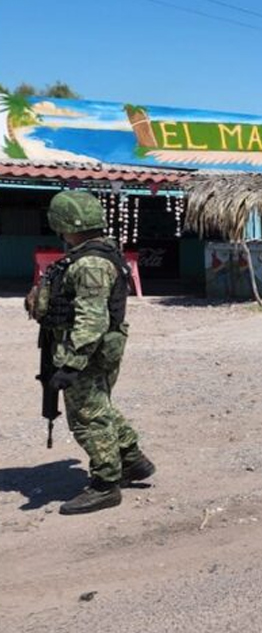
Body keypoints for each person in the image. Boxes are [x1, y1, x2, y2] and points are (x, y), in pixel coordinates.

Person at [25, 191, 154, 515]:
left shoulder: (91, 263)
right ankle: (132, 459)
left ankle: (105, 484)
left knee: (86, 415)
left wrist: (70, 363)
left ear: (62, 223)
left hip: (89, 352)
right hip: (94, 349)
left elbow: (92, 320)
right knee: (98, 405)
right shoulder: (92, 255)